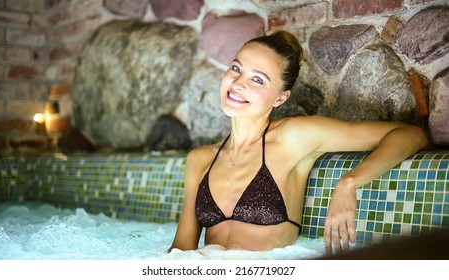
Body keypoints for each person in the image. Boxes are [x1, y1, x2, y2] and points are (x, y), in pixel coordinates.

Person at [168, 30, 428, 255]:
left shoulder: (294, 137)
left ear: (280, 98)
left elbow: (412, 135)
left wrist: (349, 183)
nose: (237, 83)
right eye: (236, 68)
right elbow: (181, 251)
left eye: (257, 79)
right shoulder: (200, 159)